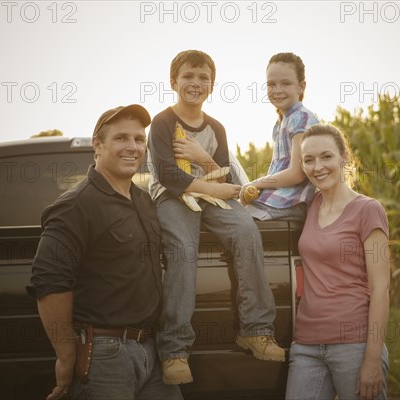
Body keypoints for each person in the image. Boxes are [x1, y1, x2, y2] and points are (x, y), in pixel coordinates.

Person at [147, 50, 285, 385]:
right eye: (188, 76)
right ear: (173, 82)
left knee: (246, 230)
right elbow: (167, 175)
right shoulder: (162, 122)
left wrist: (201, 156)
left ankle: (256, 330)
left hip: (211, 195)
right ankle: (175, 349)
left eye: (203, 78)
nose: (195, 83)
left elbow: (222, 174)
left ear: (212, 84)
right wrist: (216, 188)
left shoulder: (217, 128)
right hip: (173, 196)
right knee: (183, 247)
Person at [27, 105, 182, 400]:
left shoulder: (145, 201)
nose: (132, 147)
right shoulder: (75, 205)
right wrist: (66, 355)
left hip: (154, 351)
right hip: (105, 356)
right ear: (97, 145)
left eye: (139, 139)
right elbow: (49, 283)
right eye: (121, 138)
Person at [285, 124, 390, 400]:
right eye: (309, 160)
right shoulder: (311, 206)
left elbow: (381, 289)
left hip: (354, 344)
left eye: (326, 156)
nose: (317, 166)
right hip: (306, 344)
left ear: (344, 157)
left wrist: (372, 358)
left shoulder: (368, 210)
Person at [239, 52, 320, 221]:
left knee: (234, 223)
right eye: (271, 84)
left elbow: (297, 173)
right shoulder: (281, 122)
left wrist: (256, 183)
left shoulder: (301, 117)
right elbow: (278, 171)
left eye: (286, 83)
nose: (277, 90)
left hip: (289, 203)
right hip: (275, 201)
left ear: (301, 86)